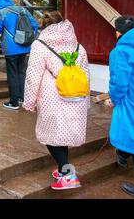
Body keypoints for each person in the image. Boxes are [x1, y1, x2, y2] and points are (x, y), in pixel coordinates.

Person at [23, 11, 90, 190]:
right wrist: (86, 99)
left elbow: (33, 76)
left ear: (44, 27)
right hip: (76, 96)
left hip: (52, 97)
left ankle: (68, 176)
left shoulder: (40, 45)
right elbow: (85, 74)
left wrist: (29, 101)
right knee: (61, 135)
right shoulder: (78, 46)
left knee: (52, 136)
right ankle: (63, 170)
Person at [107, 15, 134, 198]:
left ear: (118, 32)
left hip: (132, 101)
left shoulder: (120, 51)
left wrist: (114, 99)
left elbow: (119, 83)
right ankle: (123, 154)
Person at [0, 0, 38, 110]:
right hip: (25, 46)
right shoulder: (22, 10)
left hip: (11, 48)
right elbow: (34, 25)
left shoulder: (1, 13)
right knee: (21, 72)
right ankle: (22, 97)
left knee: (12, 74)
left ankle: (14, 102)